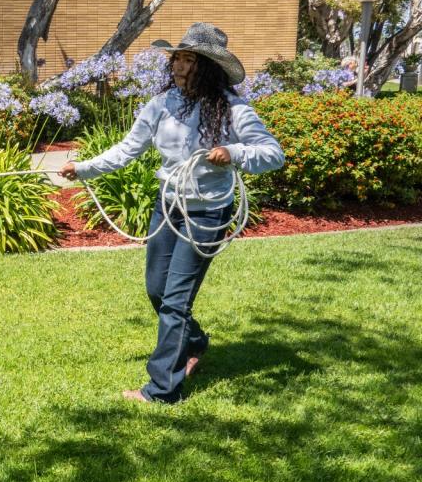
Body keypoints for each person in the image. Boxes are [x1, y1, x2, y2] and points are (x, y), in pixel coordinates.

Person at [60, 22, 285, 404]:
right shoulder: (162, 104)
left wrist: (233, 153)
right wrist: (83, 168)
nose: (179, 66)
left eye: (188, 60)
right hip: (168, 206)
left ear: (208, 67)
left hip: (206, 214)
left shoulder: (234, 108)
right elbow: (128, 148)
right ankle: (194, 342)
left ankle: (162, 389)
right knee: (157, 290)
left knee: (176, 301)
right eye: (177, 59)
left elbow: (272, 153)